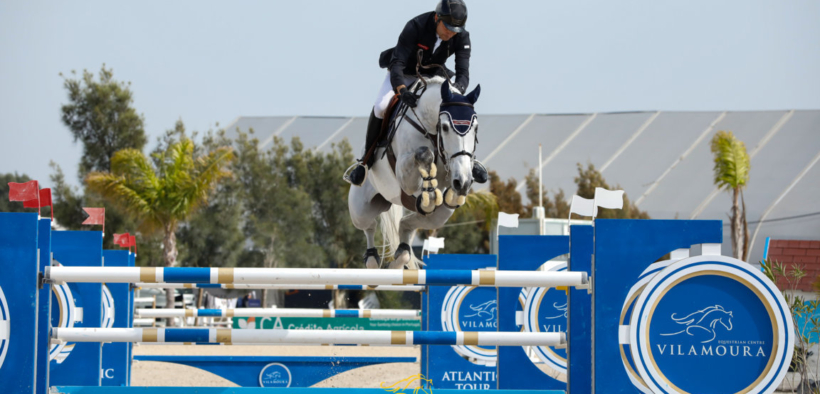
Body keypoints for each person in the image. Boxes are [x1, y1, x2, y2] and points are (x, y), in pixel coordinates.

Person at [347, 0, 488, 186]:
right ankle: (365, 161)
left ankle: (470, 159)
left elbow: (463, 73)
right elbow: (397, 63)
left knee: (458, 108)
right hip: (404, 73)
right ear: (437, 18)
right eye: (447, 27)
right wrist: (402, 90)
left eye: (455, 30)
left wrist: (457, 93)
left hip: (435, 74)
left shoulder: (461, 37)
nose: (450, 33)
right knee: (381, 107)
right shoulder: (416, 26)